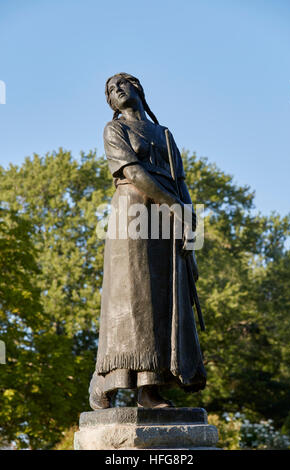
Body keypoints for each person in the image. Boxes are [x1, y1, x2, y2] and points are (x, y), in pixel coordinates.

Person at [89, 73, 206, 409]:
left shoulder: (164, 134)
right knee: (133, 297)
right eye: (110, 91)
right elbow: (134, 173)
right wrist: (176, 208)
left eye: (122, 85)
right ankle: (109, 380)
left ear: (138, 89)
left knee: (164, 299)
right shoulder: (115, 130)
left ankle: (150, 388)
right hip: (133, 214)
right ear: (111, 103)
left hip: (166, 218)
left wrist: (189, 224)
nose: (116, 91)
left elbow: (181, 184)